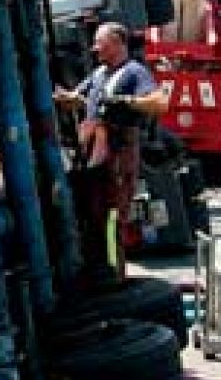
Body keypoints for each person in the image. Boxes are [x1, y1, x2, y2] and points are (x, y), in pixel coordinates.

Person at [55, 22, 169, 273]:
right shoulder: (98, 74)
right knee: (90, 210)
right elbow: (78, 98)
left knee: (111, 215)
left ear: (117, 43)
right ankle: (96, 267)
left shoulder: (134, 72)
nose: (95, 49)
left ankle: (112, 270)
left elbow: (160, 103)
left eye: (101, 44)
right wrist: (65, 98)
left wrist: (128, 101)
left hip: (117, 152)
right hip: (93, 151)